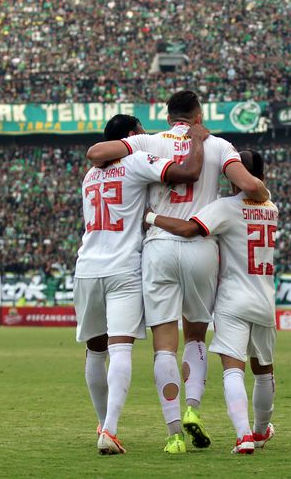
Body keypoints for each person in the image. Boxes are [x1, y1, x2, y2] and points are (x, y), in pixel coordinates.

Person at [86, 91, 270, 453]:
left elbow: (97, 154)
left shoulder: (146, 141)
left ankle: (173, 436)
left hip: (158, 246)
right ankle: (193, 409)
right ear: (198, 115)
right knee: (196, 337)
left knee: (163, 345)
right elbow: (250, 187)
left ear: (168, 116)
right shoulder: (218, 144)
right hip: (201, 246)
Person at [74, 114, 208, 455]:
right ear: (131, 137)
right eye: (142, 133)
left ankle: (101, 423)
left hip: (87, 267)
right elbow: (187, 173)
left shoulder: (90, 176)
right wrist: (195, 140)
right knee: (121, 348)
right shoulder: (137, 160)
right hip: (123, 267)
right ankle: (111, 429)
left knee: (95, 350)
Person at [144, 149, 278, 455]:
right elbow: (259, 194)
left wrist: (150, 217)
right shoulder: (272, 208)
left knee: (233, 370)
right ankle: (260, 431)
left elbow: (190, 228)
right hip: (265, 298)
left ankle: (243, 436)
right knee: (264, 371)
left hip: (233, 299)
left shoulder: (226, 207)